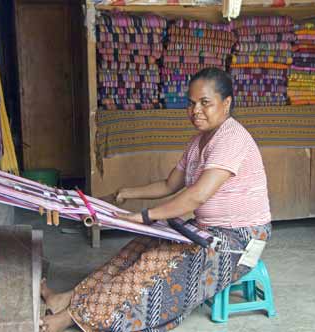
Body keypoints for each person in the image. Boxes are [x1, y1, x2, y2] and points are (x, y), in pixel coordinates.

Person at [39, 68, 272, 332]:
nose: (196, 110)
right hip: (206, 230)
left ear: (226, 103)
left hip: (238, 240)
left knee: (154, 264)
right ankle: (69, 298)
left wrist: (146, 216)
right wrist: (125, 193)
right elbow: (170, 184)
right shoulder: (198, 142)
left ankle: (74, 317)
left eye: (205, 103)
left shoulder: (231, 138)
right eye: (191, 103)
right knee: (139, 247)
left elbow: (197, 195)